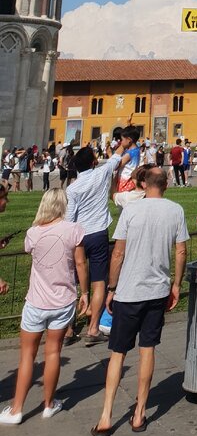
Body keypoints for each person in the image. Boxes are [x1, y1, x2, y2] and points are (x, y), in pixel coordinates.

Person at [92, 168, 188, 436]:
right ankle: (140, 412)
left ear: (143, 184)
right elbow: (181, 251)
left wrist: (111, 288)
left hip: (128, 291)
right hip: (157, 291)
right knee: (148, 350)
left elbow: (118, 253)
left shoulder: (131, 210)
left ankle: (106, 415)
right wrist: (176, 284)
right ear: (166, 184)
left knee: (118, 353)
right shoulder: (176, 210)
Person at [0, 190, 89, 424]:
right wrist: (85, 292)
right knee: (53, 352)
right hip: (63, 300)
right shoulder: (74, 230)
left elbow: (30, 249)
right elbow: (81, 263)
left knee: (27, 356)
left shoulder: (33, 232)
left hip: (37, 301)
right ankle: (48, 404)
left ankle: (17, 409)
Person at [65, 136, 126, 345]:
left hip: (78, 236)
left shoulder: (72, 188)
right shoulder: (101, 173)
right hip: (99, 233)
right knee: (99, 281)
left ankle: (68, 329)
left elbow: (69, 217)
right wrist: (123, 142)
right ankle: (92, 329)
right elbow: (116, 158)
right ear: (93, 162)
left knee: (73, 281)